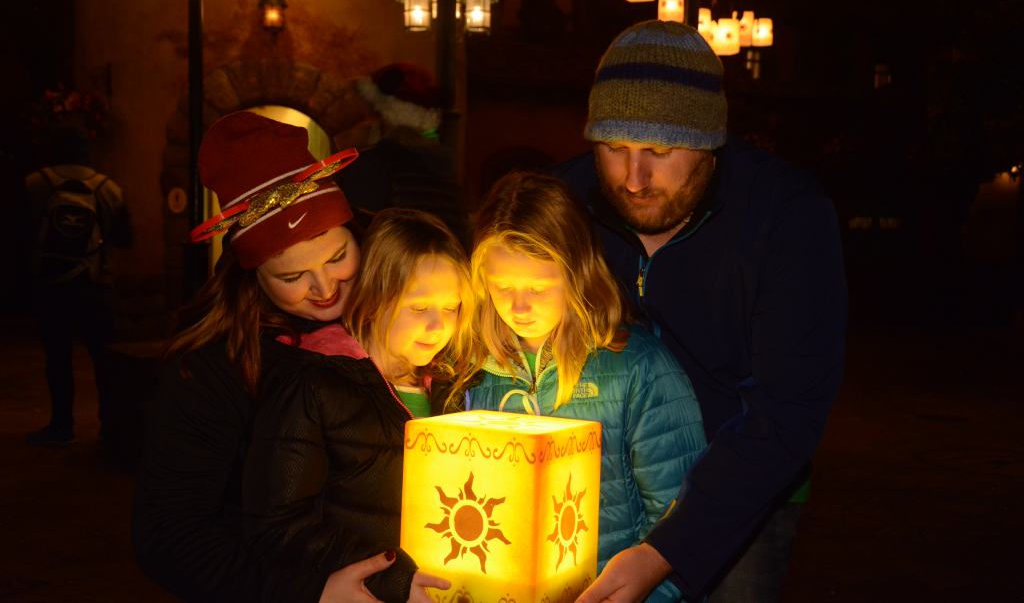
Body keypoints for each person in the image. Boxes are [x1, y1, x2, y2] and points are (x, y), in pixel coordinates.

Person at [557, 20, 847, 602]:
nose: (633, 179)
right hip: (597, 482)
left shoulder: (787, 217)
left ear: (711, 144)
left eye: (660, 151)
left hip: (744, 489)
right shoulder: (563, 201)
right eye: (613, 148)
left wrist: (671, 549)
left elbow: (788, 408)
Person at [132, 112, 447, 603]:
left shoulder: (411, 292)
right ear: (253, 274)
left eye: (338, 257)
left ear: (354, 230)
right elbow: (169, 535)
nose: (324, 289)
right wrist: (307, 591)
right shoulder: (213, 366)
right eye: (291, 277)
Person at [461, 171, 707, 602]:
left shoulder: (638, 368)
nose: (519, 306)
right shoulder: (472, 371)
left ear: (577, 274)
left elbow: (680, 524)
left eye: (539, 288)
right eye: (502, 287)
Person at [241, 208, 477, 600]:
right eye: (419, 308)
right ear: (373, 297)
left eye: (451, 308)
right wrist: (390, 575)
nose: (439, 326)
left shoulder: (452, 389)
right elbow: (277, 523)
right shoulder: (316, 384)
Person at [24, 124, 133, 446]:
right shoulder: (108, 188)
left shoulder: (36, 184)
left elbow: (22, 231)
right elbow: (124, 238)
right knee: (103, 360)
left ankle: (61, 425)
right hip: (94, 285)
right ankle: (109, 426)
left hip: (52, 285)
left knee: (57, 359)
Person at [339, 62, 470, 247]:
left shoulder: (371, 164)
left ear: (381, 118)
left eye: (364, 118)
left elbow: (358, 234)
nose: (359, 126)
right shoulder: (444, 170)